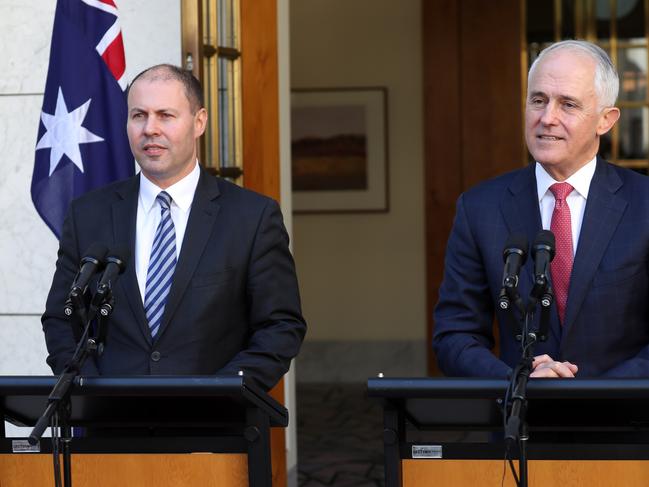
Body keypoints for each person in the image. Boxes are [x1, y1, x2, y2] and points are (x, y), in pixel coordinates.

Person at [42, 64, 306, 391]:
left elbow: (280, 326)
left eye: (165, 115)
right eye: (138, 115)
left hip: (214, 427)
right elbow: (61, 319)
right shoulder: (89, 214)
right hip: (112, 427)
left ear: (199, 122)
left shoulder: (252, 217)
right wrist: (95, 392)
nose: (150, 129)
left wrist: (219, 393)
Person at [433, 40, 649, 379]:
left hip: (625, 424)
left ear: (605, 120)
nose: (547, 118)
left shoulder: (644, 204)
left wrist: (594, 395)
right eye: (538, 100)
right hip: (521, 421)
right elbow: (454, 335)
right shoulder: (480, 208)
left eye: (568, 104)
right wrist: (517, 380)